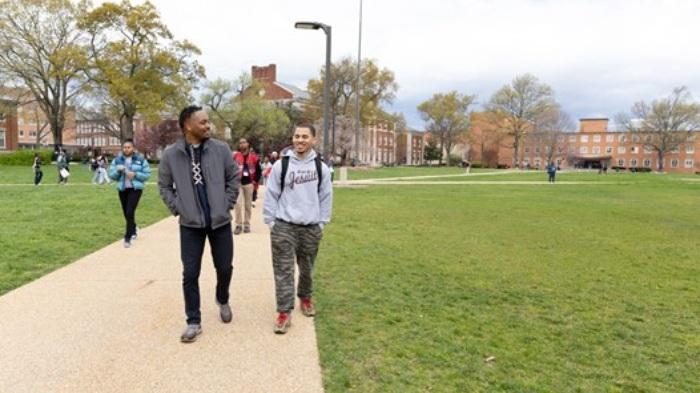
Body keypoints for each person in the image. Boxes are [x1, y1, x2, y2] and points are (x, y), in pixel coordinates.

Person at [158, 105, 239, 343]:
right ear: (187, 125)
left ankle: (222, 298)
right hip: (190, 225)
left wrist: (226, 204)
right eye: (203, 122)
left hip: (219, 222)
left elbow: (233, 177)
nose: (208, 126)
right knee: (190, 273)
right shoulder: (171, 155)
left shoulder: (221, 149)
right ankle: (193, 321)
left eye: (208, 121)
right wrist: (178, 208)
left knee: (224, 267)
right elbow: (163, 186)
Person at [263, 124, 332, 334]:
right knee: (283, 271)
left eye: (304, 137)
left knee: (307, 269)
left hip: (310, 227)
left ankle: (306, 297)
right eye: (296, 136)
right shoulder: (280, 166)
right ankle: (284, 312)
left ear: (313, 140)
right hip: (284, 226)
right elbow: (271, 194)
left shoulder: (321, 168)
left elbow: (326, 197)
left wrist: (321, 223)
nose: (300, 140)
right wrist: (271, 222)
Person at [109, 139, 151, 248]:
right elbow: (112, 175)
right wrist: (117, 170)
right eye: (124, 147)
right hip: (123, 189)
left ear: (133, 148)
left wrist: (135, 174)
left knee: (129, 211)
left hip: (135, 189)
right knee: (126, 212)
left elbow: (147, 175)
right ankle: (133, 228)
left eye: (128, 147)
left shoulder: (140, 160)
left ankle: (127, 238)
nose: (126, 149)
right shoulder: (117, 160)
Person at [232, 138, 261, 234]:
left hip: (249, 183)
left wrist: (254, 181)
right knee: (238, 204)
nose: (242, 144)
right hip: (238, 183)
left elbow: (258, 171)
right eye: (240, 143)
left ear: (248, 144)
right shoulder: (235, 156)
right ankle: (238, 225)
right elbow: (230, 168)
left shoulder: (254, 157)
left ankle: (247, 224)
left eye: (244, 142)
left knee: (248, 205)